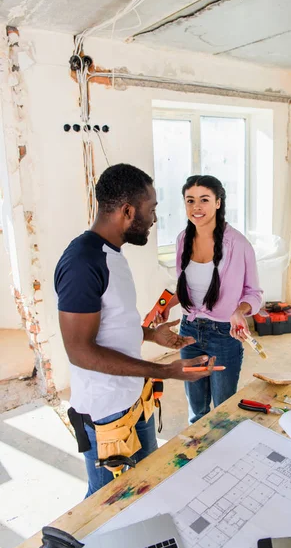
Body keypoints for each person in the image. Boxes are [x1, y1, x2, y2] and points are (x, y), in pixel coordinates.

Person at [54, 164, 215, 497]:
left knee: (146, 487)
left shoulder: (112, 253)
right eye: (151, 209)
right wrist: (165, 371)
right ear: (128, 211)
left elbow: (112, 325)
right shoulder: (83, 263)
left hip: (131, 401)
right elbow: (80, 351)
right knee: (106, 505)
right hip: (105, 415)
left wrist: (150, 335)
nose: (154, 219)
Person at [158, 175, 262, 424]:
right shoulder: (183, 239)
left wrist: (240, 311)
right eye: (190, 200)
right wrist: (166, 306)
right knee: (196, 411)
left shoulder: (238, 244)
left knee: (222, 411)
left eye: (204, 200)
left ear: (218, 202)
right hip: (188, 331)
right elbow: (187, 287)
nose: (196, 207)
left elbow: (254, 293)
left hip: (224, 335)